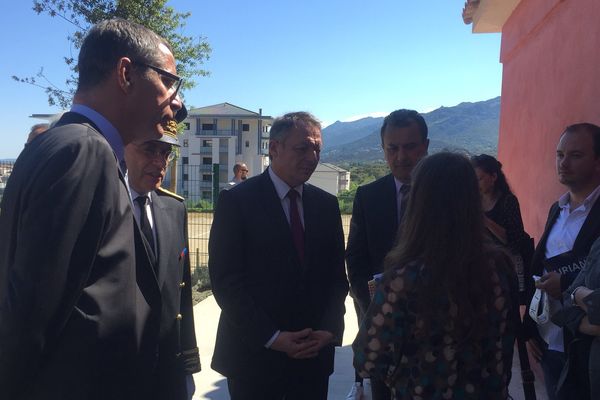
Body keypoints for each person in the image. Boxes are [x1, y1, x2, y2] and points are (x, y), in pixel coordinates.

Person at [0, 18, 183, 399]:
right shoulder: (84, 150)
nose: (175, 104)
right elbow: (32, 311)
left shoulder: (56, 145)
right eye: (169, 82)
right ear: (126, 73)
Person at [353, 152, 519, 399]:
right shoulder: (500, 268)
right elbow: (505, 347)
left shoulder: (403, 279)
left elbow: (368, 360)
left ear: (419, 202)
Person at [208, 111, 348, 400]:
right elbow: (226, 281)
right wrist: (273, 338)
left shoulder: (326, 206)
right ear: (274, 148)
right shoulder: (237, 202)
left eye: (317, 149)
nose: (311, 156)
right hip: (254, 359)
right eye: (302, 148)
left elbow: (336, 278)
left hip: (312, 358)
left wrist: (329, 330)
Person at [345, 109, 428, 400]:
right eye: (393, 148)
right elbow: (355, 259)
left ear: (425, 147)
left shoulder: (443, 196)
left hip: (434, 330)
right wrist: (373, 308)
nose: (401, 156)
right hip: (381, 326)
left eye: (410, 146)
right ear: (383, 149)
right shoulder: (368, 196)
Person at [124, 106, 201, 400]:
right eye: (150, 149)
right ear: (123, 148)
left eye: (166, 154)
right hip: (118, 372)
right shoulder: (104, 204)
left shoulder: (173, 208)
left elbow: (181, 295)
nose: (160, 162)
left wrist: (188, 364)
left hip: (168, 369)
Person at [523, 123, 600, 400]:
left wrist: (565, 284)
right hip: (548, 339)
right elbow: (541, 267)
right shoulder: (558, 207)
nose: (563, 163)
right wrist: (530, 327)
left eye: (575, 155)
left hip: (586, 346)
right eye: (559, 154)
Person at [471, 154, 532, 301]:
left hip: (506, 265)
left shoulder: (508, 202)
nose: (475, 184)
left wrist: (485, 220)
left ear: (493, 177)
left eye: (479, 179)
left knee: (508, 306)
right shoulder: (475, 201)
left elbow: (514, 240)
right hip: (482, 263)